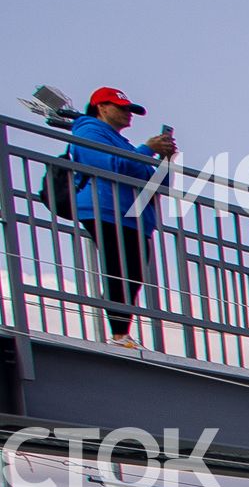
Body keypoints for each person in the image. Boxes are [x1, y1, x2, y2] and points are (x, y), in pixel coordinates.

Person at [65, 87, 174, 348]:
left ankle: (121, 333)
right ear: (101, 107)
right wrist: (147, 149)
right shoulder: (88, 130)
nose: (128, 114)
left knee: (132, 275)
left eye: (130, 109)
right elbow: (111, 165)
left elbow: (159, 184)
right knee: (119, 270)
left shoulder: (123, 143)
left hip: (132, 217)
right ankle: (118, 334)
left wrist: (166, 159)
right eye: (121, 108)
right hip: (106, 209)